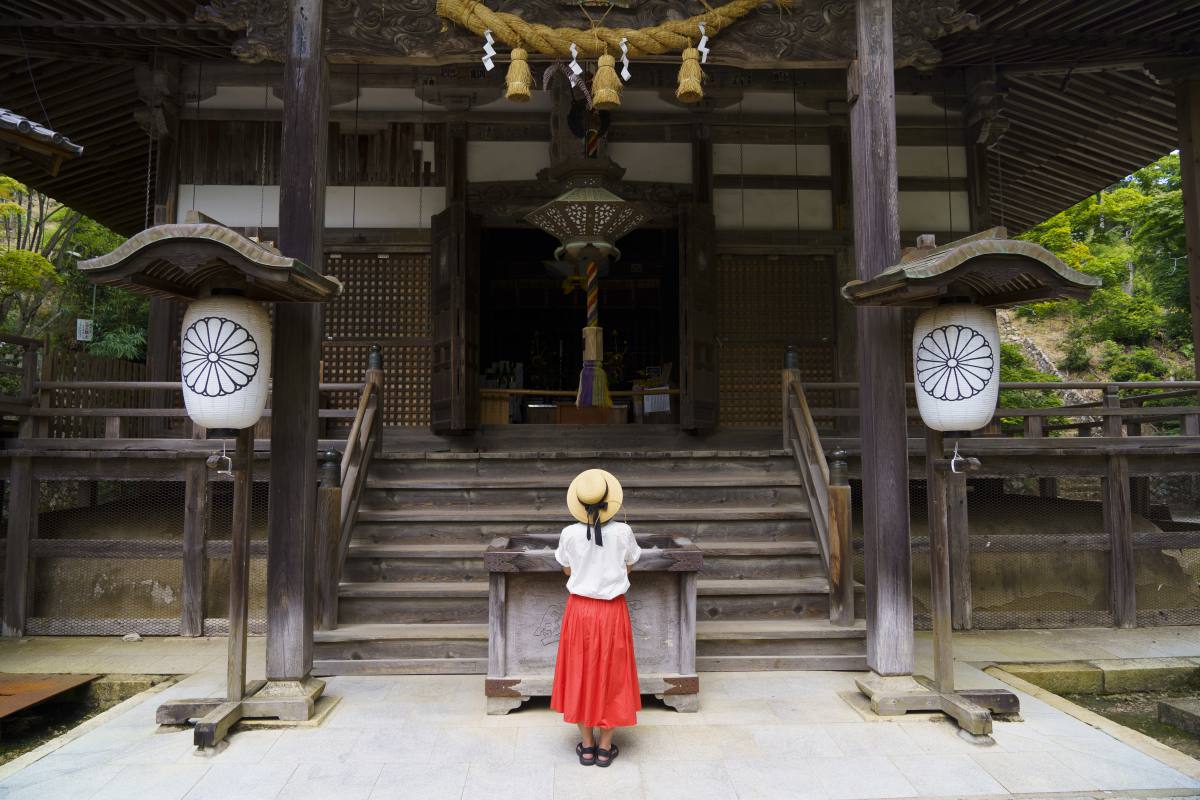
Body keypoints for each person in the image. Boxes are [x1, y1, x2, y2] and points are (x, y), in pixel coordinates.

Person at [551, 468, 642, 767]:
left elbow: (566, 568)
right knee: (612, 676)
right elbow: (630, 564)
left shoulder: (569, 534)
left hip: (580, 611)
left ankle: (587, 746)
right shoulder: (623, 532)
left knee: (580, 674)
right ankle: (605, 748)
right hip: (612, 611)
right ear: (609, 499)